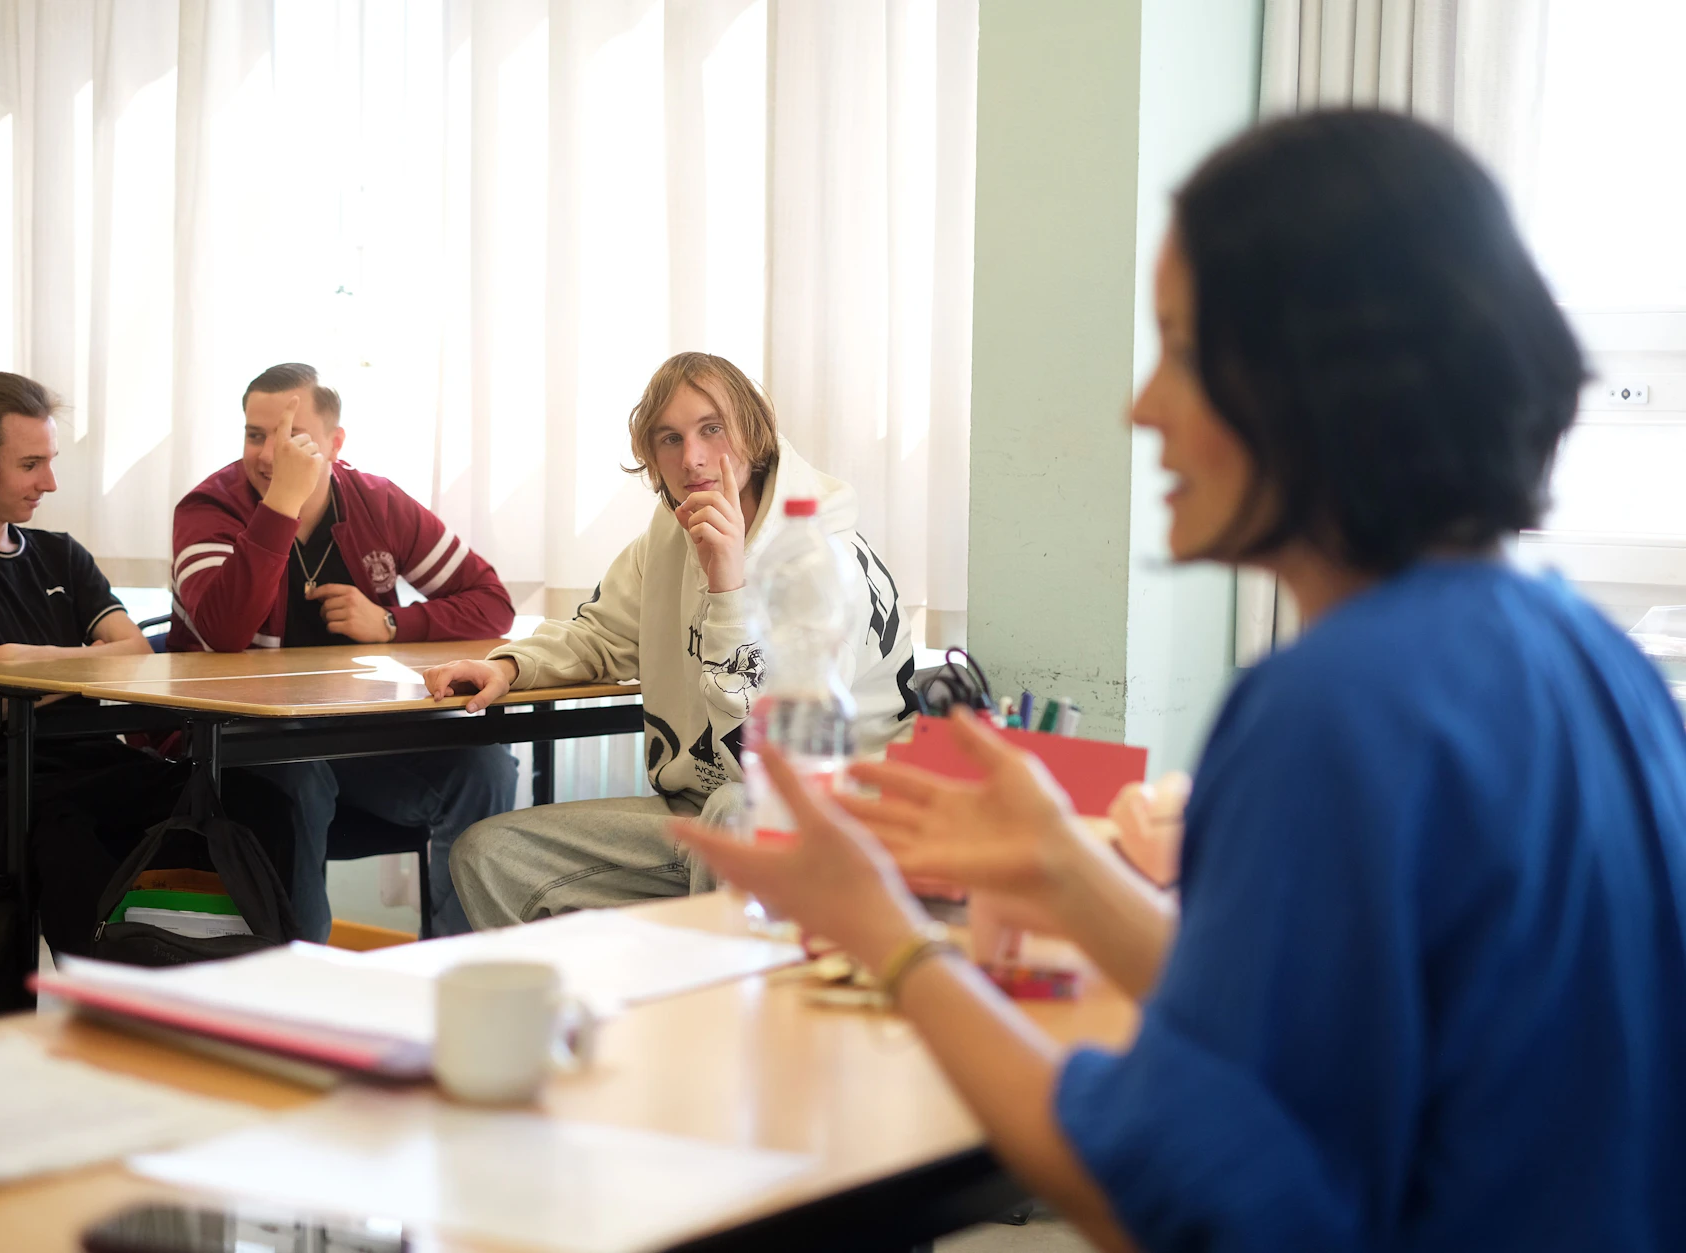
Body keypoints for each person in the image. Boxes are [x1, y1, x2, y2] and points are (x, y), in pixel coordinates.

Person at [672, 112, 1686, 1252]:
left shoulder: (1333, 705)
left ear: (1321, 377)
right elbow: (1304, 1033)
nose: (1138, 406)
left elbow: (1150, 1189)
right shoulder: (1597, 664)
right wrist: (1063, 866)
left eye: (1181, 350)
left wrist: (884, 935)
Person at [423, 352, 918, 927]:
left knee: (740, 810)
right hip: (697, 811)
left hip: (829, 818)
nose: (693, 457)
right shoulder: (668, 534)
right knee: (491, 855)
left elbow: (765, 759)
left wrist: (728, 581)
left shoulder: (822, 557)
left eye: (712, 429)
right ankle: (586, 1013)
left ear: (755, 436)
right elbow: (601, 636)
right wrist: (511, 667)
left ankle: (727, 1007)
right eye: (669, 439)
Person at [0, 372, 295, 956]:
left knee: (263, 802)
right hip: (2, 781)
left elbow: (139, 657)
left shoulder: (61, 554)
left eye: (48, 461)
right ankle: (111, 1011)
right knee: (68, 837)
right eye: (29, 465)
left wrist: (28, 661)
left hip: (97, 761)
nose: (49, 481)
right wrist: (90, 662)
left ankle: (259, 982)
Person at [170, 363, 518, 939]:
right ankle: (308, 986)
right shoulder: (209, 509)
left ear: (335, 444)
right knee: (299, 778)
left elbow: (490, 600)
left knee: (482, 768)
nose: (269, 455)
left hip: (357, 736)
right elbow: (223, 632)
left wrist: (390, 623)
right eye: (256, 435)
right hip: (238, 742)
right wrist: (282, 501)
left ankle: (457, 967)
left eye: (291, 438)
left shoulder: (375, 502)